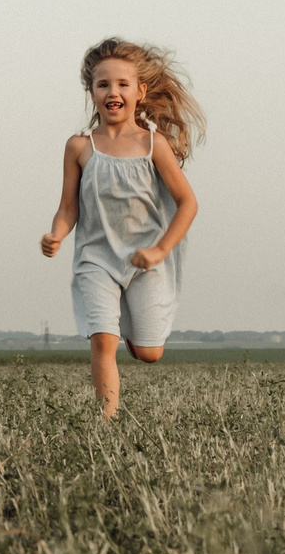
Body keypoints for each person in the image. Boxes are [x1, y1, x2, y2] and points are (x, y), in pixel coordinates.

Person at [39, 38, 201, 418]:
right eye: (103, 84)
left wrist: (160, 250)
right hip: (96, 259)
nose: (113, 92)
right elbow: (68, 208)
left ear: (140, 92)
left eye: (122, 84)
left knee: (150, 353)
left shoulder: (153, 144)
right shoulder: (79, 147)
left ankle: (133, 333)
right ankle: (106, 424)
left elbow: (188, 203)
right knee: (102, 340)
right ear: (92, 93)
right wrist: (56, 234)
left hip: (144, 259)